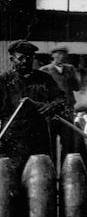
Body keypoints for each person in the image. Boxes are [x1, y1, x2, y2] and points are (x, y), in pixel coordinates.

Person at [0, 40, 65, 174]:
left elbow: (61, 98)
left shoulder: (44, 78)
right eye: (21, 58)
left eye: (29, 57)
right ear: (12, 59)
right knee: (14, 176)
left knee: (41, 175)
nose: (25, 61)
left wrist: (51, 106)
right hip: (13, 137)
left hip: (39, 135)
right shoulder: (4, 80)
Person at [40, 45, 81, 162]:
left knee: (68, 142)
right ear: (52, 55)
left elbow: (77, 87)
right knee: (50, 142)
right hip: (51, 111)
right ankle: (50, 169)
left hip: (67, 110)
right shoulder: (45, 70)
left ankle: (67, 170)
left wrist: (72, 77)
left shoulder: (70, 69)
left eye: (63, 54)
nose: (61, 56)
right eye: (58, 54)